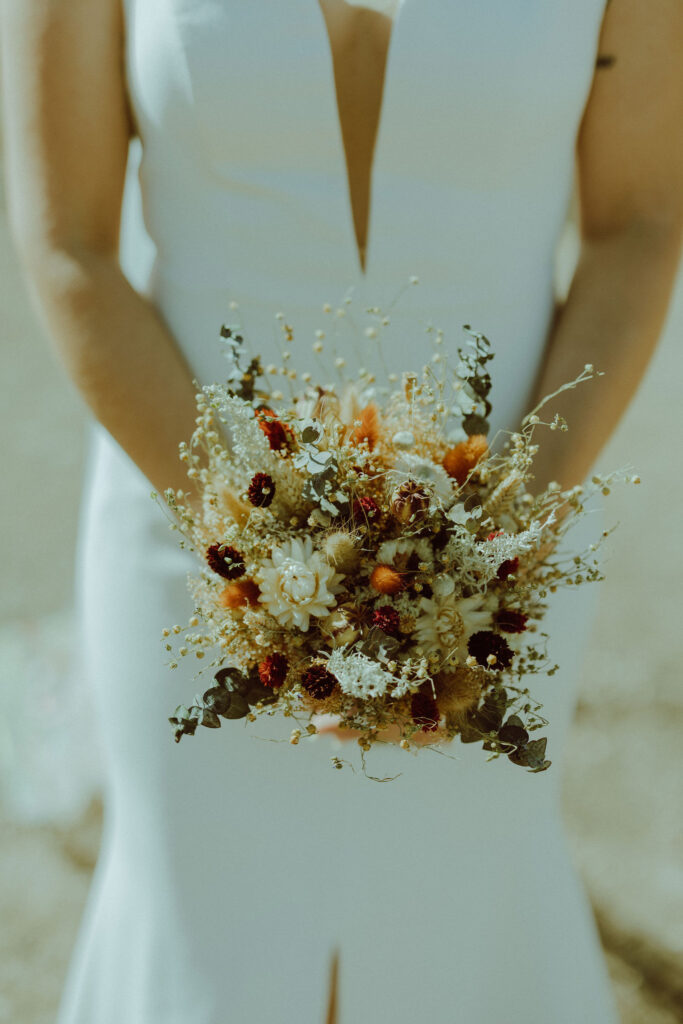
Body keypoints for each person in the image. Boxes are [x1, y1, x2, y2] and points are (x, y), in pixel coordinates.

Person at [2, 0, 681, 1020]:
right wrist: (258, 551)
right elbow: (71, 246)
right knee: (205, 928)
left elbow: (638, 221)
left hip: (501, 537)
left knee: (459, 917)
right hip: (184, 521)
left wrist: (495, 543)